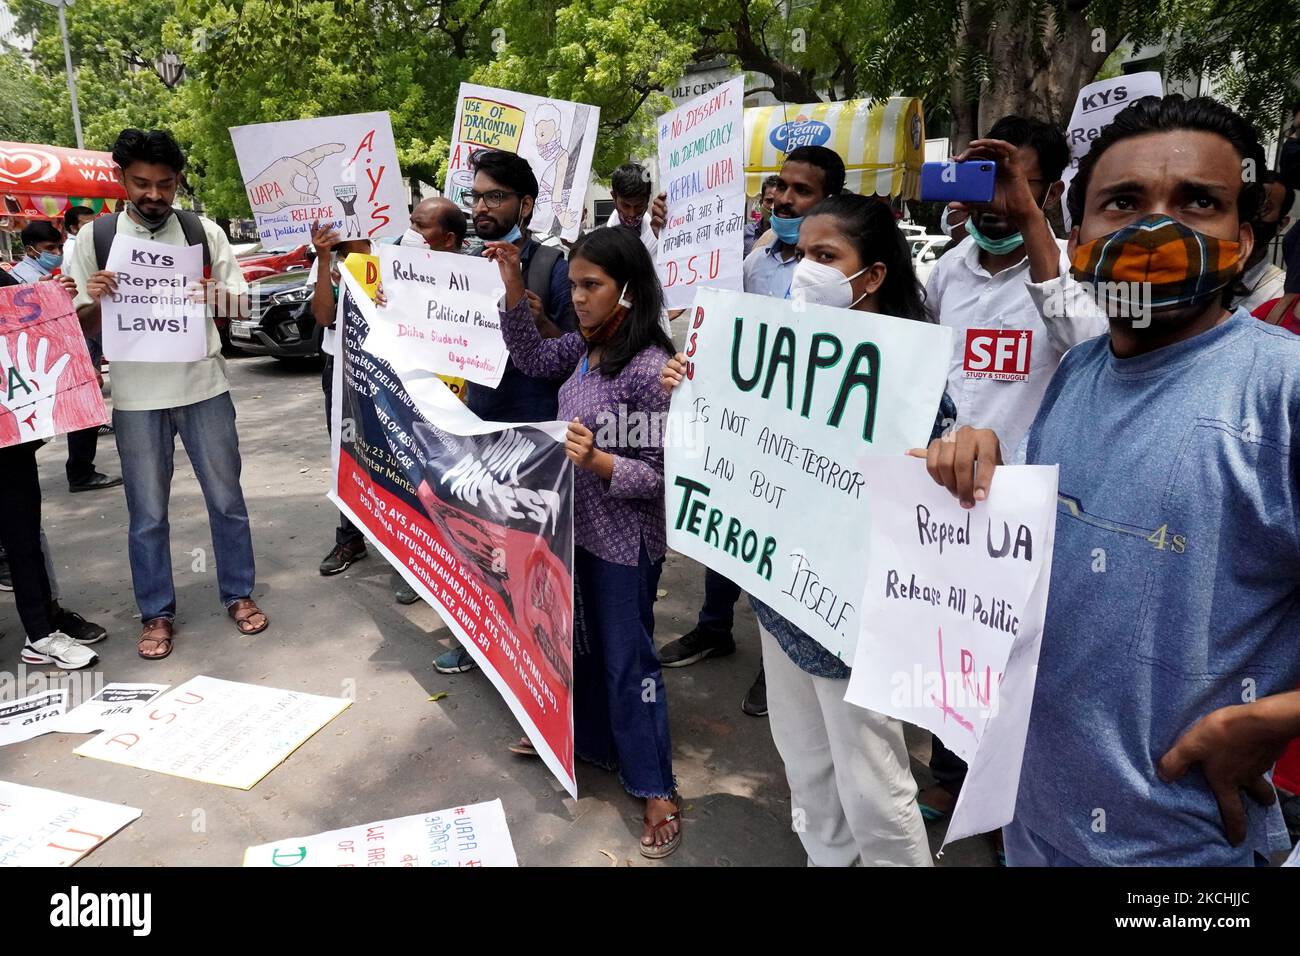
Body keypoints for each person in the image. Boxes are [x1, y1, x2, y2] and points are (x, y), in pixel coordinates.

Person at [921, 95, 1300, 866]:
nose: (1154, 229)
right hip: (1033, 821)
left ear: (1245, 236)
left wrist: (1275, 717)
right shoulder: (1083, 367)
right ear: (1080, 235)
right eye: (1123, 202)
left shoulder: (1282, 390)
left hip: (1184, 853)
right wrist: (984, 456)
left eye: (1199, 202)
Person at [663, 194, 948, 865]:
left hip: (856, 613)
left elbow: (932, 497)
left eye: (827, 257)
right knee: (806, 759)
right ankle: (828, 857)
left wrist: (929, 465)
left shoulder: (912, 377)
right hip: (781, 593)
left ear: (872, 276)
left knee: (874, 782)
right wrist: (691, 385)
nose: (804, 270)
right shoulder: (772, 345)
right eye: (801, 254)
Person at [916, 115, 1105, 825]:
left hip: (1032, 506)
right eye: (984, 180)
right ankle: (950, 774)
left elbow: (1088, 345)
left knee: (1018, 665)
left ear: (1049, 188)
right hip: (950, 495)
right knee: (951, 649)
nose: (994, 200)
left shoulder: (1073, 269)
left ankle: (1011, 805)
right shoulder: (945, 271)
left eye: (1013, 183)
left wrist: (1031, 224)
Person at [487, 225, 681, 858]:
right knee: (583, 646)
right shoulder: (583, 350)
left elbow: (660, 479)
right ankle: (592, 742)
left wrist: (598, 461)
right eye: (572, 285)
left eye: (591, 285)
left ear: (628, 290)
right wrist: (515, 283)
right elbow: (532, 358)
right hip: (576, 532)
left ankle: (656, 786)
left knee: (631, 662)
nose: (578, 298)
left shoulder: (650, 371)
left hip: (626, 543)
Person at [657, 144, 848, 719]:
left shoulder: (843, 275)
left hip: (809, 445)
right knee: (728, 530)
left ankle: (780, 661)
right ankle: (715, 627)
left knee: (787, 553)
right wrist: (674, 237)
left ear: (829, 200)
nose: (783, 198)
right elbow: (708, 325)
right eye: (779, 186)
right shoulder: (753, 263)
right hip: (743, 433)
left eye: (801, 190)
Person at [69, 128, 265, 660]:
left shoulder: (204, 233)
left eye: (164, 184)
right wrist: (91, 300)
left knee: (227, 500)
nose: (153, 195)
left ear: (178, 181)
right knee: (147, 512)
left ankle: (238, 594)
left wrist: (214, 293)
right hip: (135, 398)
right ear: (121, 179)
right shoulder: (94, 240)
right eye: (141, 184)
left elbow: (241, 307)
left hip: (203, 386)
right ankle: (156, 611)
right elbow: (77, 326)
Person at [434, 149, 577, 675]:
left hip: (536, 431)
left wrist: (541, 323)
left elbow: (578, 350)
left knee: (527, 545)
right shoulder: (461, 267)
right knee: (475, 532)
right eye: (476, 196)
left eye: (496, 196)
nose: (482, 207)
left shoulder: (552, 266)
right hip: (477, 422)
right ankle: (475, 637)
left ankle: (531, 651)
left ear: (526, 205)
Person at [1231, 170, 1292, 312]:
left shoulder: (1280, 298)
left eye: (1264, 208)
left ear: (1281, 224)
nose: (1249, 214)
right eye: (1244, 203)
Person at [605, 162, 665, 260]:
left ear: (648, 199)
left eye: (639, 206)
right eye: (626, 205)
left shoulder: (659, 235)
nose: (632, 213)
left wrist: (664, 238)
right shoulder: (600, 242)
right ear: (614, 197)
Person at [403, 196, 468, 252]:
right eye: (412, 223)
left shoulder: (474, 265)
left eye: (421, 226)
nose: (411, 230)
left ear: (449, 239)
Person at [743, 175, 778, 257]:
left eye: (777, 202)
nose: (772, 207)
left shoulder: (788, 238)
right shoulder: (745, 233)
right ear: (761, 202)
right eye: (769, 201)